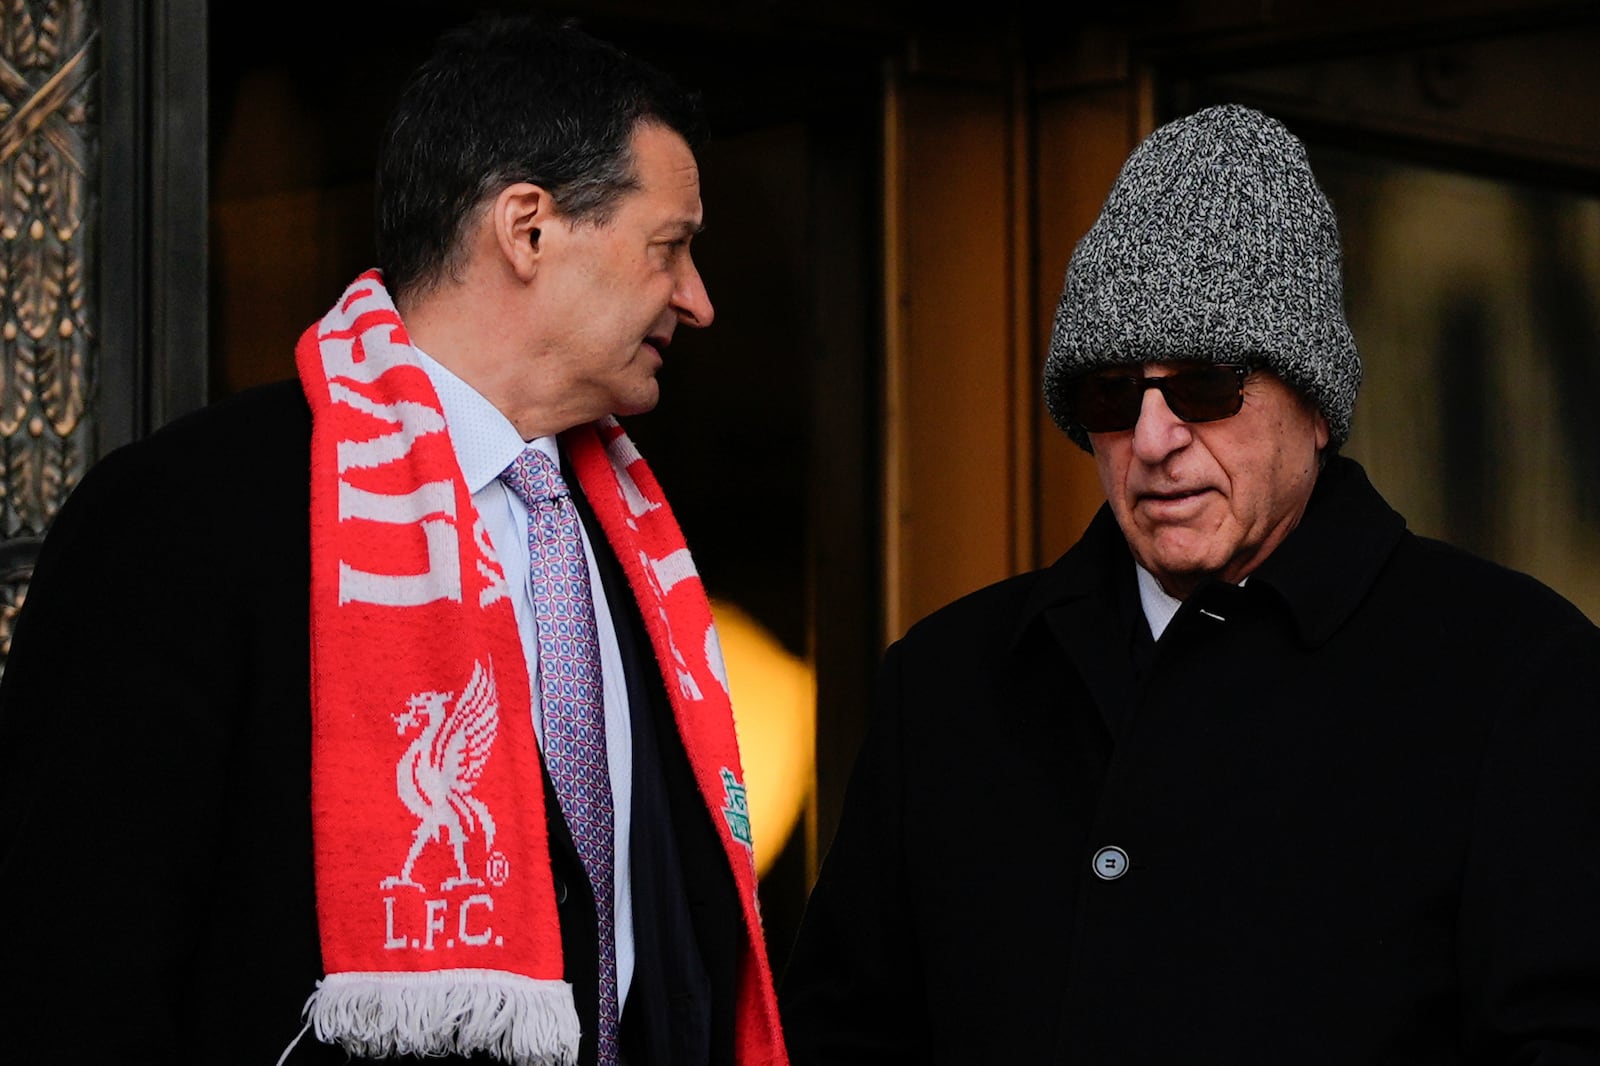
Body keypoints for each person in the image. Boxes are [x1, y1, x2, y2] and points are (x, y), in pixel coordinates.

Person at [0, 13, 788, 1066]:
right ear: (528, 227)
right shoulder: (186, 513)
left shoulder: (633, 545)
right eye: (670, 247)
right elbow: (71, 969)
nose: (696, 301)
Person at [778, 103, 1600, 1063]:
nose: (1158, 441)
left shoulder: (1513, 674)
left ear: (1318, 404)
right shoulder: (948, 682)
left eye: (1206, 386)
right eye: (1113, 395)